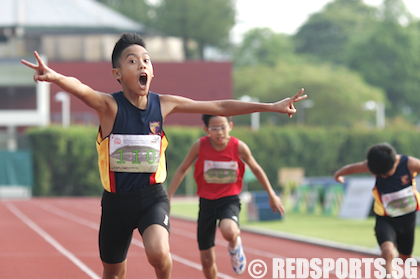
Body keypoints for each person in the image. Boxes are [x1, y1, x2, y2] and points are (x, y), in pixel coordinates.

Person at [21, 32, 306, 279]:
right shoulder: (109, 107)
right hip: (116, 204)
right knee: (113, 273)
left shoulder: (164, 104)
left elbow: (219, 105)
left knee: (158, 252)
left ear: (152, 71)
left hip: (152, 197)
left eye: (146, 60)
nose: (142, 64)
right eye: (132, 61)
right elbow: (82, 90)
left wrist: (271, 106)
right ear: (117, 73)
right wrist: (55, 76)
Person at [167, 114, 285, 278]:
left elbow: (257, 169)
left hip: (229, 199)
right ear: (206, 130)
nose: (219, 132)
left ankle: (235, 243)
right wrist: (169, 198)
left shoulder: (239, 147)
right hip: (206, 202)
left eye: (222, 127)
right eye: (214, 128)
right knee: (206, 260)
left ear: (230, 126)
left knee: (228, 230)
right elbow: (182, 169)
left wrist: (271, 194)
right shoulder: (200, 146)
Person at [334, 143, 420, 279]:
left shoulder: (410, 164)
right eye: (380, 175)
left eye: (386, 173)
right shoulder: (374, 165)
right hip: (385, 218)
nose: (384, 177)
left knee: (405, 258)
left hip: (407, 218)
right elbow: (354, 168)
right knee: (388, 252)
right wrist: (338, 174)